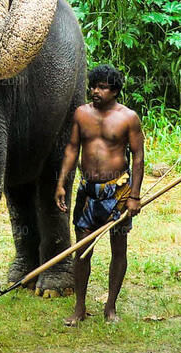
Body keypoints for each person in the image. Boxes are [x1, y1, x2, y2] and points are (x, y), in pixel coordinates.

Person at [55, 65, 144, 325]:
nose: (96, 91)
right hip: (88, 192)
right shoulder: (82, 114)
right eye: (94, 86)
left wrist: (134, 196)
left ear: (115, 90)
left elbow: (138, 157)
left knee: (118, 248)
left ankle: (110, 308)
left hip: (117, 191)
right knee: (81, 250)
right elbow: (72, 148)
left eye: (103, 87)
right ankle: (79, 308)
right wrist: (61, 183)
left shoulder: (128, 118)